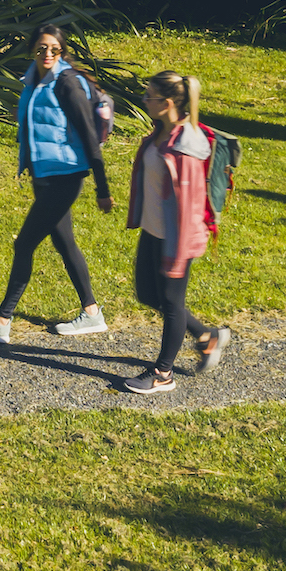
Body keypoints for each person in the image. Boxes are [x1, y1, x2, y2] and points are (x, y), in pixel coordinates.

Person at [0, 24, 113, 344]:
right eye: (42, 48)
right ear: (33, 49)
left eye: (54, 50)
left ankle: (1, 321)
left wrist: (103, 189)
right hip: (44, 176)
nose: (47, 54)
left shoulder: (67, 83)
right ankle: (92, 314)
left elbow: (89, 137)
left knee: (24, 244)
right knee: (64, 243)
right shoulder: (33, 78)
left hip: (66, 177)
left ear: (62, 52)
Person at [116, 69, 233, 395]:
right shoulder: (161, 134)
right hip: (154, 231)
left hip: (176, 239)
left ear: (166, 103)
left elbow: (190, 208)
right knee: (148, 294)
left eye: (149, 96)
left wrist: (177, 254)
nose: (144, 100)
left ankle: (163, 374)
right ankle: (207, 336)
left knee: (170, 303)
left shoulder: (186, 148)